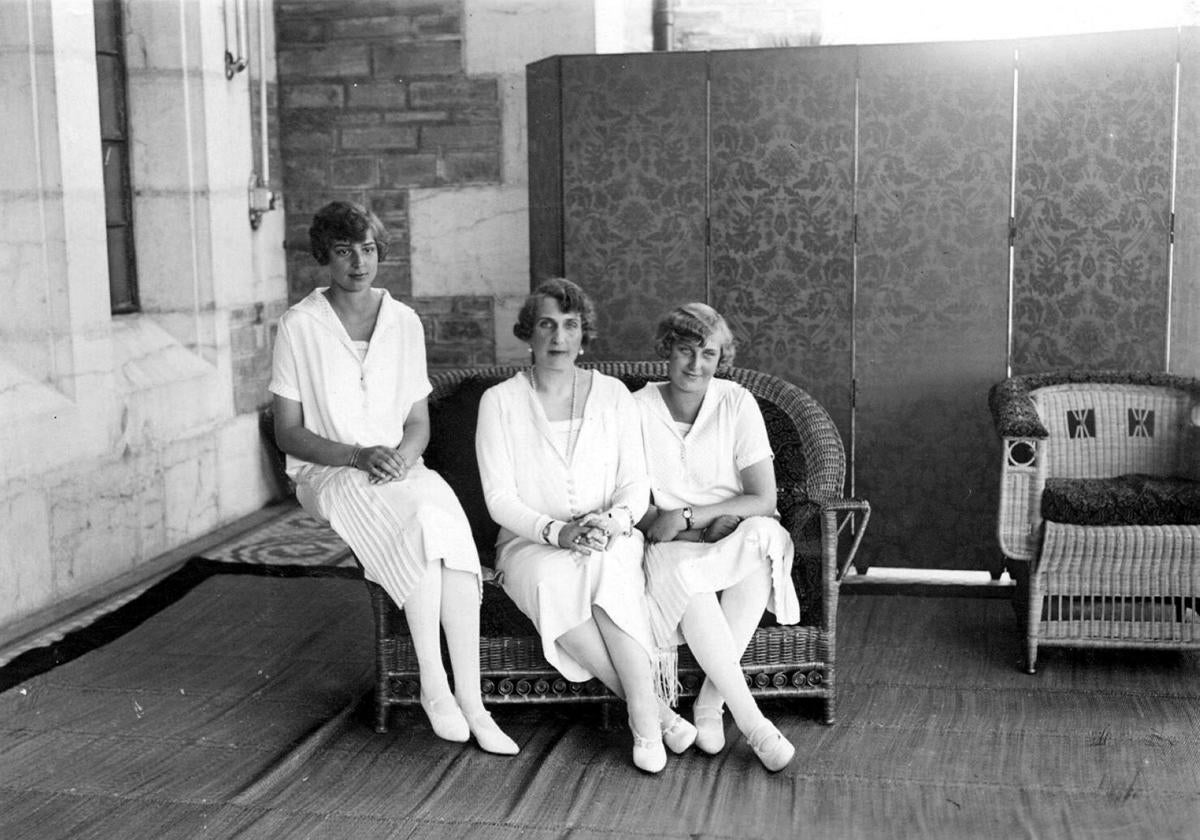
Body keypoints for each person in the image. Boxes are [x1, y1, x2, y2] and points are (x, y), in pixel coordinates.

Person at [268, 200, 517, 755]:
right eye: (343, 251)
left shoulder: (403, 321)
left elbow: (417, 422)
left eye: (368, 249)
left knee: (444, 534)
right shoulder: (299, 326)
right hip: (330, 472)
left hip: (401, 466)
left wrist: (404, 458)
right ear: (324, 257)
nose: (358, 262)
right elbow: (288, 433)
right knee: (420, 531)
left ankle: (472, 702)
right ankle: (435, 686)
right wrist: (357, 457)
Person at [474, 278, 696, 774]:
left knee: (606, 575)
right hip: (531, 545)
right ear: (528, 333)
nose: (558, 337)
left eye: (570, 325)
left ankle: (645, 730)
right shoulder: (500, 402)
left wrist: (609, 522)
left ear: (583, 334)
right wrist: (557, 532)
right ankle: (656, 716)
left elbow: (635, 486)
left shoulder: (613, 394)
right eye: (547, 324)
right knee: (554, 581)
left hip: (608, 532)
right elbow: (498, 499)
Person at [634, 302, 798, 772]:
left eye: (708, 354)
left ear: (721, 358)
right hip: (669, 546)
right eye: (685, 351)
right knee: (687, 576)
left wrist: (695, 516)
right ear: (667, 350)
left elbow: (762, 498)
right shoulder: (636, 408)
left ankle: (709, 705)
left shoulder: (736, 401)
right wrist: (683, 526)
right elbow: (634, 502)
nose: (696, 365)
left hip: (729, 531)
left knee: (765, 538)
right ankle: (755, 725)